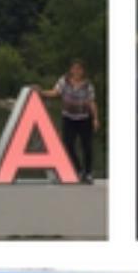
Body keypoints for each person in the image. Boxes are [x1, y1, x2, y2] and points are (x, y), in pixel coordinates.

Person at [45, 58, 104, 186]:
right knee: (68, 144)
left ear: (83, 71)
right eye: (74, 68)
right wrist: (42, 92)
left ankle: (88, 173)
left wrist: (95, 119)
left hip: (84, 118)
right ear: (71, 69)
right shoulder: (64, 81)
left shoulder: (88, 85)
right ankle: (78, 169)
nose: (76, 71)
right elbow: (55, 92)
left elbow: (91, 102)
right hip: (68, 118)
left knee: (86, 146)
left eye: (79, 69)